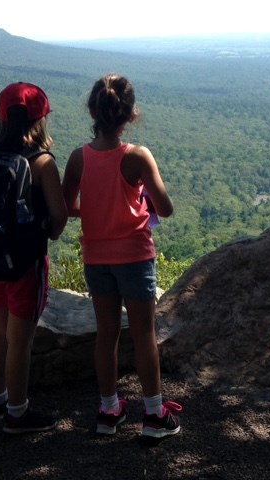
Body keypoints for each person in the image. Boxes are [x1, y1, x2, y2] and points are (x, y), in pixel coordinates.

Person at [61, 73, 182, 438]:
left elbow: (69, 206)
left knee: (107, 334)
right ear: (131, 115)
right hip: (134, 255)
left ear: (92, 112)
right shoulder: (138, 157)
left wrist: (98, 210)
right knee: (144, 333)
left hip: (97, 257)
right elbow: (166, 207)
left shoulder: (78, 158)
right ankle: (154, 415)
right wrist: (136, 202)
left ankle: (109, 411)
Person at [0, 82, 68, 434]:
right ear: (39, 120)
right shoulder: (42, 162)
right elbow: (59, 216)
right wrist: (48, 231)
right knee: (21, 339)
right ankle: (18, 413)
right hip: (25, 264)